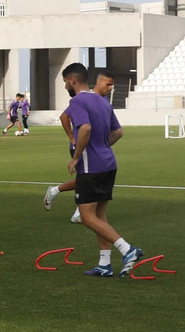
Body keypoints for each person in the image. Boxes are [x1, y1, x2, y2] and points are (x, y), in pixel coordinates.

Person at [58, 63, 144, 277]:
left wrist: (76, 156)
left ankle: (127, 249)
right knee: (100, 217)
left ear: (72, 81)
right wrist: (102, 147)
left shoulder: (77, 101)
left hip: (91, 167)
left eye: (65, 83)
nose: (65, 87)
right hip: (108, 164)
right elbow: (118, 132)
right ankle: (105, 264)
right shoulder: (103, 102)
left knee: (86, 217)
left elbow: (85, 128)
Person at [45, 70, 117, 223]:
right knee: (85, 177)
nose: (111, 88)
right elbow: (66, 117)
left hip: (92, 149)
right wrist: (72, 137)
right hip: (81, 147)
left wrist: (100, 144)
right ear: (98, 82)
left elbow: (118, 131)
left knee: (86, 178)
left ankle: (62, 196)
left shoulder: (99, 101)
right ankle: (78, 209)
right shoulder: (83, 100)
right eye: (108, 84)